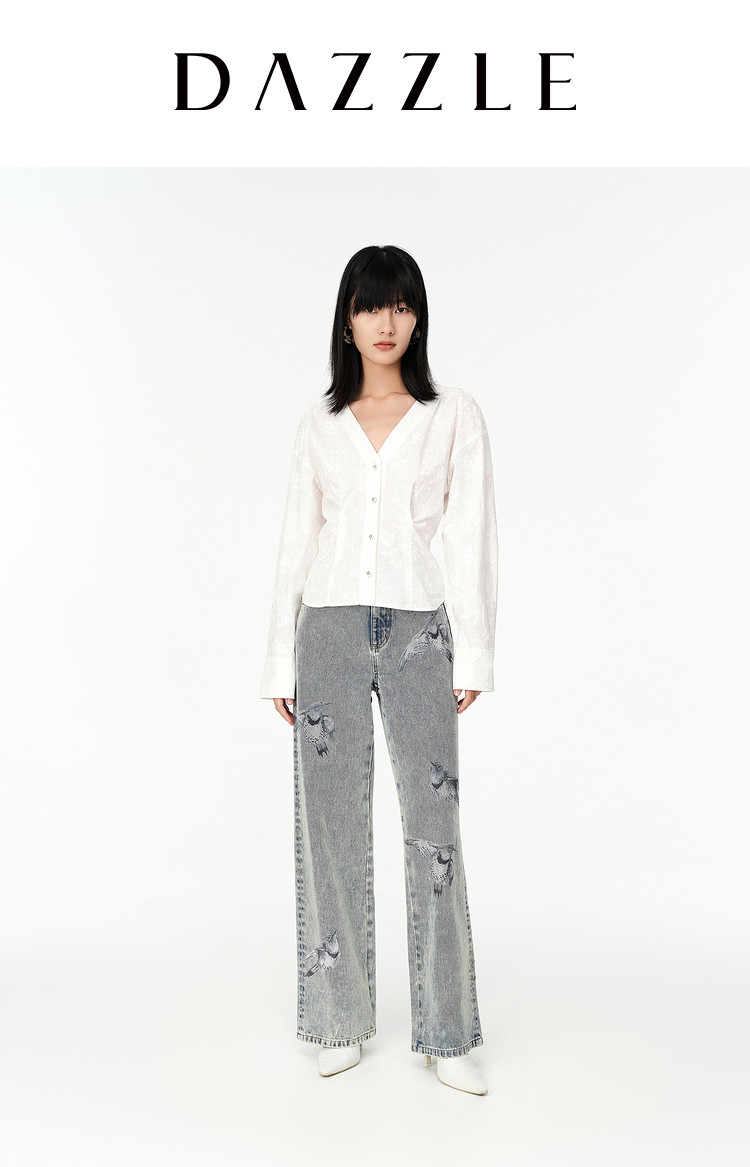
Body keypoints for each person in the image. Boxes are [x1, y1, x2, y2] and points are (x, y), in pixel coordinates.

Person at [259, 244, 498, 1095]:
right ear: (347, 321)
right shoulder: (319, 424)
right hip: (324, 627)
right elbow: (298, 539)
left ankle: (447, 1030)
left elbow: (469, 536)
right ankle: (336, 1018)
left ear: (417, 316)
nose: (385, 322)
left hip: (418, 631)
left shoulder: (451, 413)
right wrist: (280, 660)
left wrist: (474, 649)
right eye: (369, 306)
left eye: (399, 304)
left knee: (435, 826)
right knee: (328, 827)